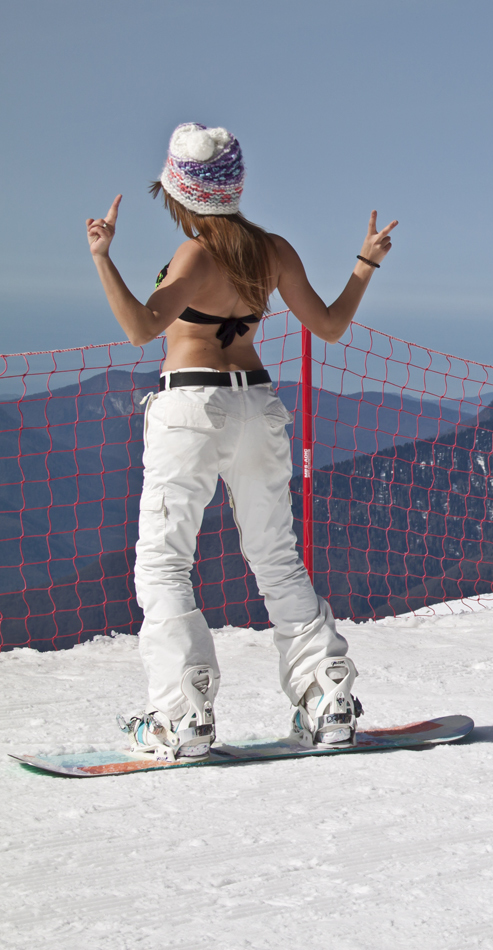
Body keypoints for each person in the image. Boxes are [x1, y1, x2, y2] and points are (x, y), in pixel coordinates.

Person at [85, 122, 397, 760]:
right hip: (258, 404)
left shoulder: (195, 254)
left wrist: (102, 258)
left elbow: (143, 328)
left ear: (181, 192)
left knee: (165, 562)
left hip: (192, 406)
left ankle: (184, 713)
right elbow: (330, 325)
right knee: (276, 557)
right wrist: (365, 264)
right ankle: (326, 695)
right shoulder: (273, 250)